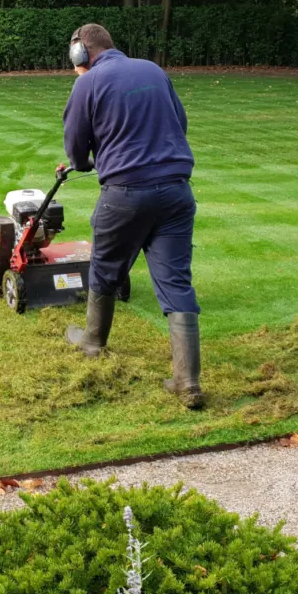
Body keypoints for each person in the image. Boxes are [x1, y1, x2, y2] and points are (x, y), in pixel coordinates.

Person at [62, 23, 203, 408]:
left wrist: (86, 163)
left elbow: (75, 148)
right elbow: (181, 124)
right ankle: (187, 383)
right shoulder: (153, 70)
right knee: (176, 280)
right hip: (177, 191)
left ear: (80, 54)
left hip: (124, 194)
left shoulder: (85, 84)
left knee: (106, 267)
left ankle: (92, 342)